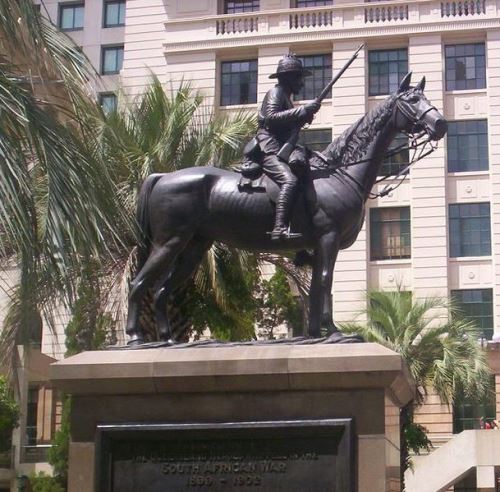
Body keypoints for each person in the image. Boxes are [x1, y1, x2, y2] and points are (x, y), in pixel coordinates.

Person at [257, 54, 321, 240]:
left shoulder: (286, 97)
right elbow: (271, 119)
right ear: (289, 77)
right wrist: (302, 110)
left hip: (281, 146)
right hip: (269, 147)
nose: (301, 83)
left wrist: (303, 118)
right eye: (299, 78)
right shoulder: (275, 93)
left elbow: (286, 123)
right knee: (289, 181)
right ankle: (279, 228)